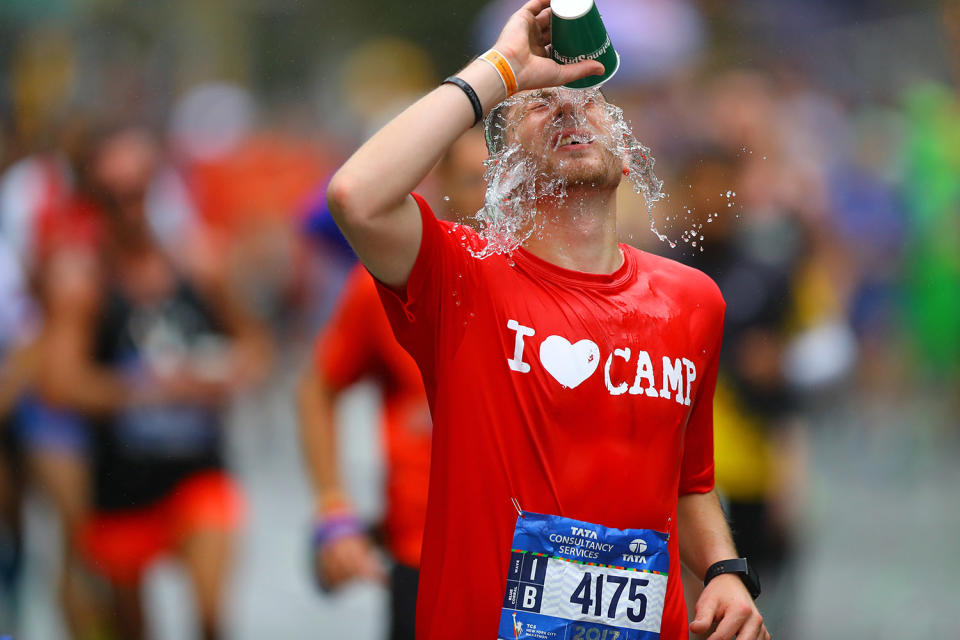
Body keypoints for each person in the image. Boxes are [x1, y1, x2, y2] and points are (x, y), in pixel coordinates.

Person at [324, 1, 768, 639]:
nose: (568, 106)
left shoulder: (693, 299)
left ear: (623, 138)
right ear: (504, 165)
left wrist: (725, 570)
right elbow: (355, 196)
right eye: (540, 101)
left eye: (587, 97)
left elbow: (690, 483)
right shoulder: (465, 278)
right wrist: (501, 71)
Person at [37, 124, 270, 640]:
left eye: (138, 192)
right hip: (120, 483)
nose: (129, 210)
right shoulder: (82, 281)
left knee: (210, 616)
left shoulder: (201, 263)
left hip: (198, 472)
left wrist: (228, 374)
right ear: (91, 201)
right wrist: (152, 389)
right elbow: (60, 384)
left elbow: (257, 347)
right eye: (113, 197)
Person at [299, 128, 488, 640]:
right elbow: (318, 388)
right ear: (442, 182)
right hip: (423, 552)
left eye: (505, 180)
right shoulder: (388, 283)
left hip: (535, 557)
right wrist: (334, 510)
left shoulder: (555, 276)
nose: (490, 197)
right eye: (474, 179)